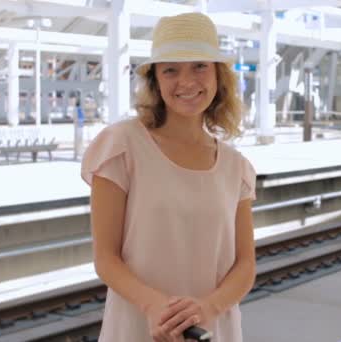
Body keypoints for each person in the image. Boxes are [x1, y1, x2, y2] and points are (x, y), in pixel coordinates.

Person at [80, 12, 257, 342]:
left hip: (211, 328)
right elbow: (106, 258)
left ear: (218, 75)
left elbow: (246, 265)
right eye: (171, 69)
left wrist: (207, 309)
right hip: (138, 326)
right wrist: (155, 308)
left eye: (199, 66)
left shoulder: (236, 167)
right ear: (156, 80)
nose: (186, 81)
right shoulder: (121, 146)